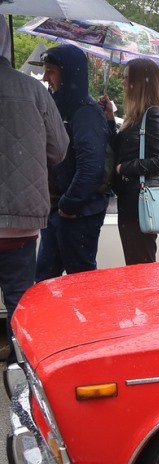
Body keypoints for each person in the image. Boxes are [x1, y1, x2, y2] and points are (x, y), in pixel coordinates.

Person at [0, 20, 68, 360]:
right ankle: (20, 368)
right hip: (21, 219)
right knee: (18, 299)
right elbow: (59, 150)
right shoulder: (34, 91)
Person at [34, 45, 111, 283]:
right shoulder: (62, 106)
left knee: (81, 285)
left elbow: (91, 165)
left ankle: (89, 322)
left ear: (69, 74)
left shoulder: (85, 112)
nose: (46, 77)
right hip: (58, 209)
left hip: (76, 213)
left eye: (51, 71)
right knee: (45, 283)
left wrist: (69, 204)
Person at [100, 58, 159, 265]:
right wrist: (110, 119)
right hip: (130, 200)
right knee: (135, 263)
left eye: (126, 78)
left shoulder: (154, 115)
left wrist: (125, 168)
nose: (123, 83)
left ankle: (147, 298)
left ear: (140, 82)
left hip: (142, 202)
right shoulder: (137, 116)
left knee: (141, 264)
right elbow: (121, 148)